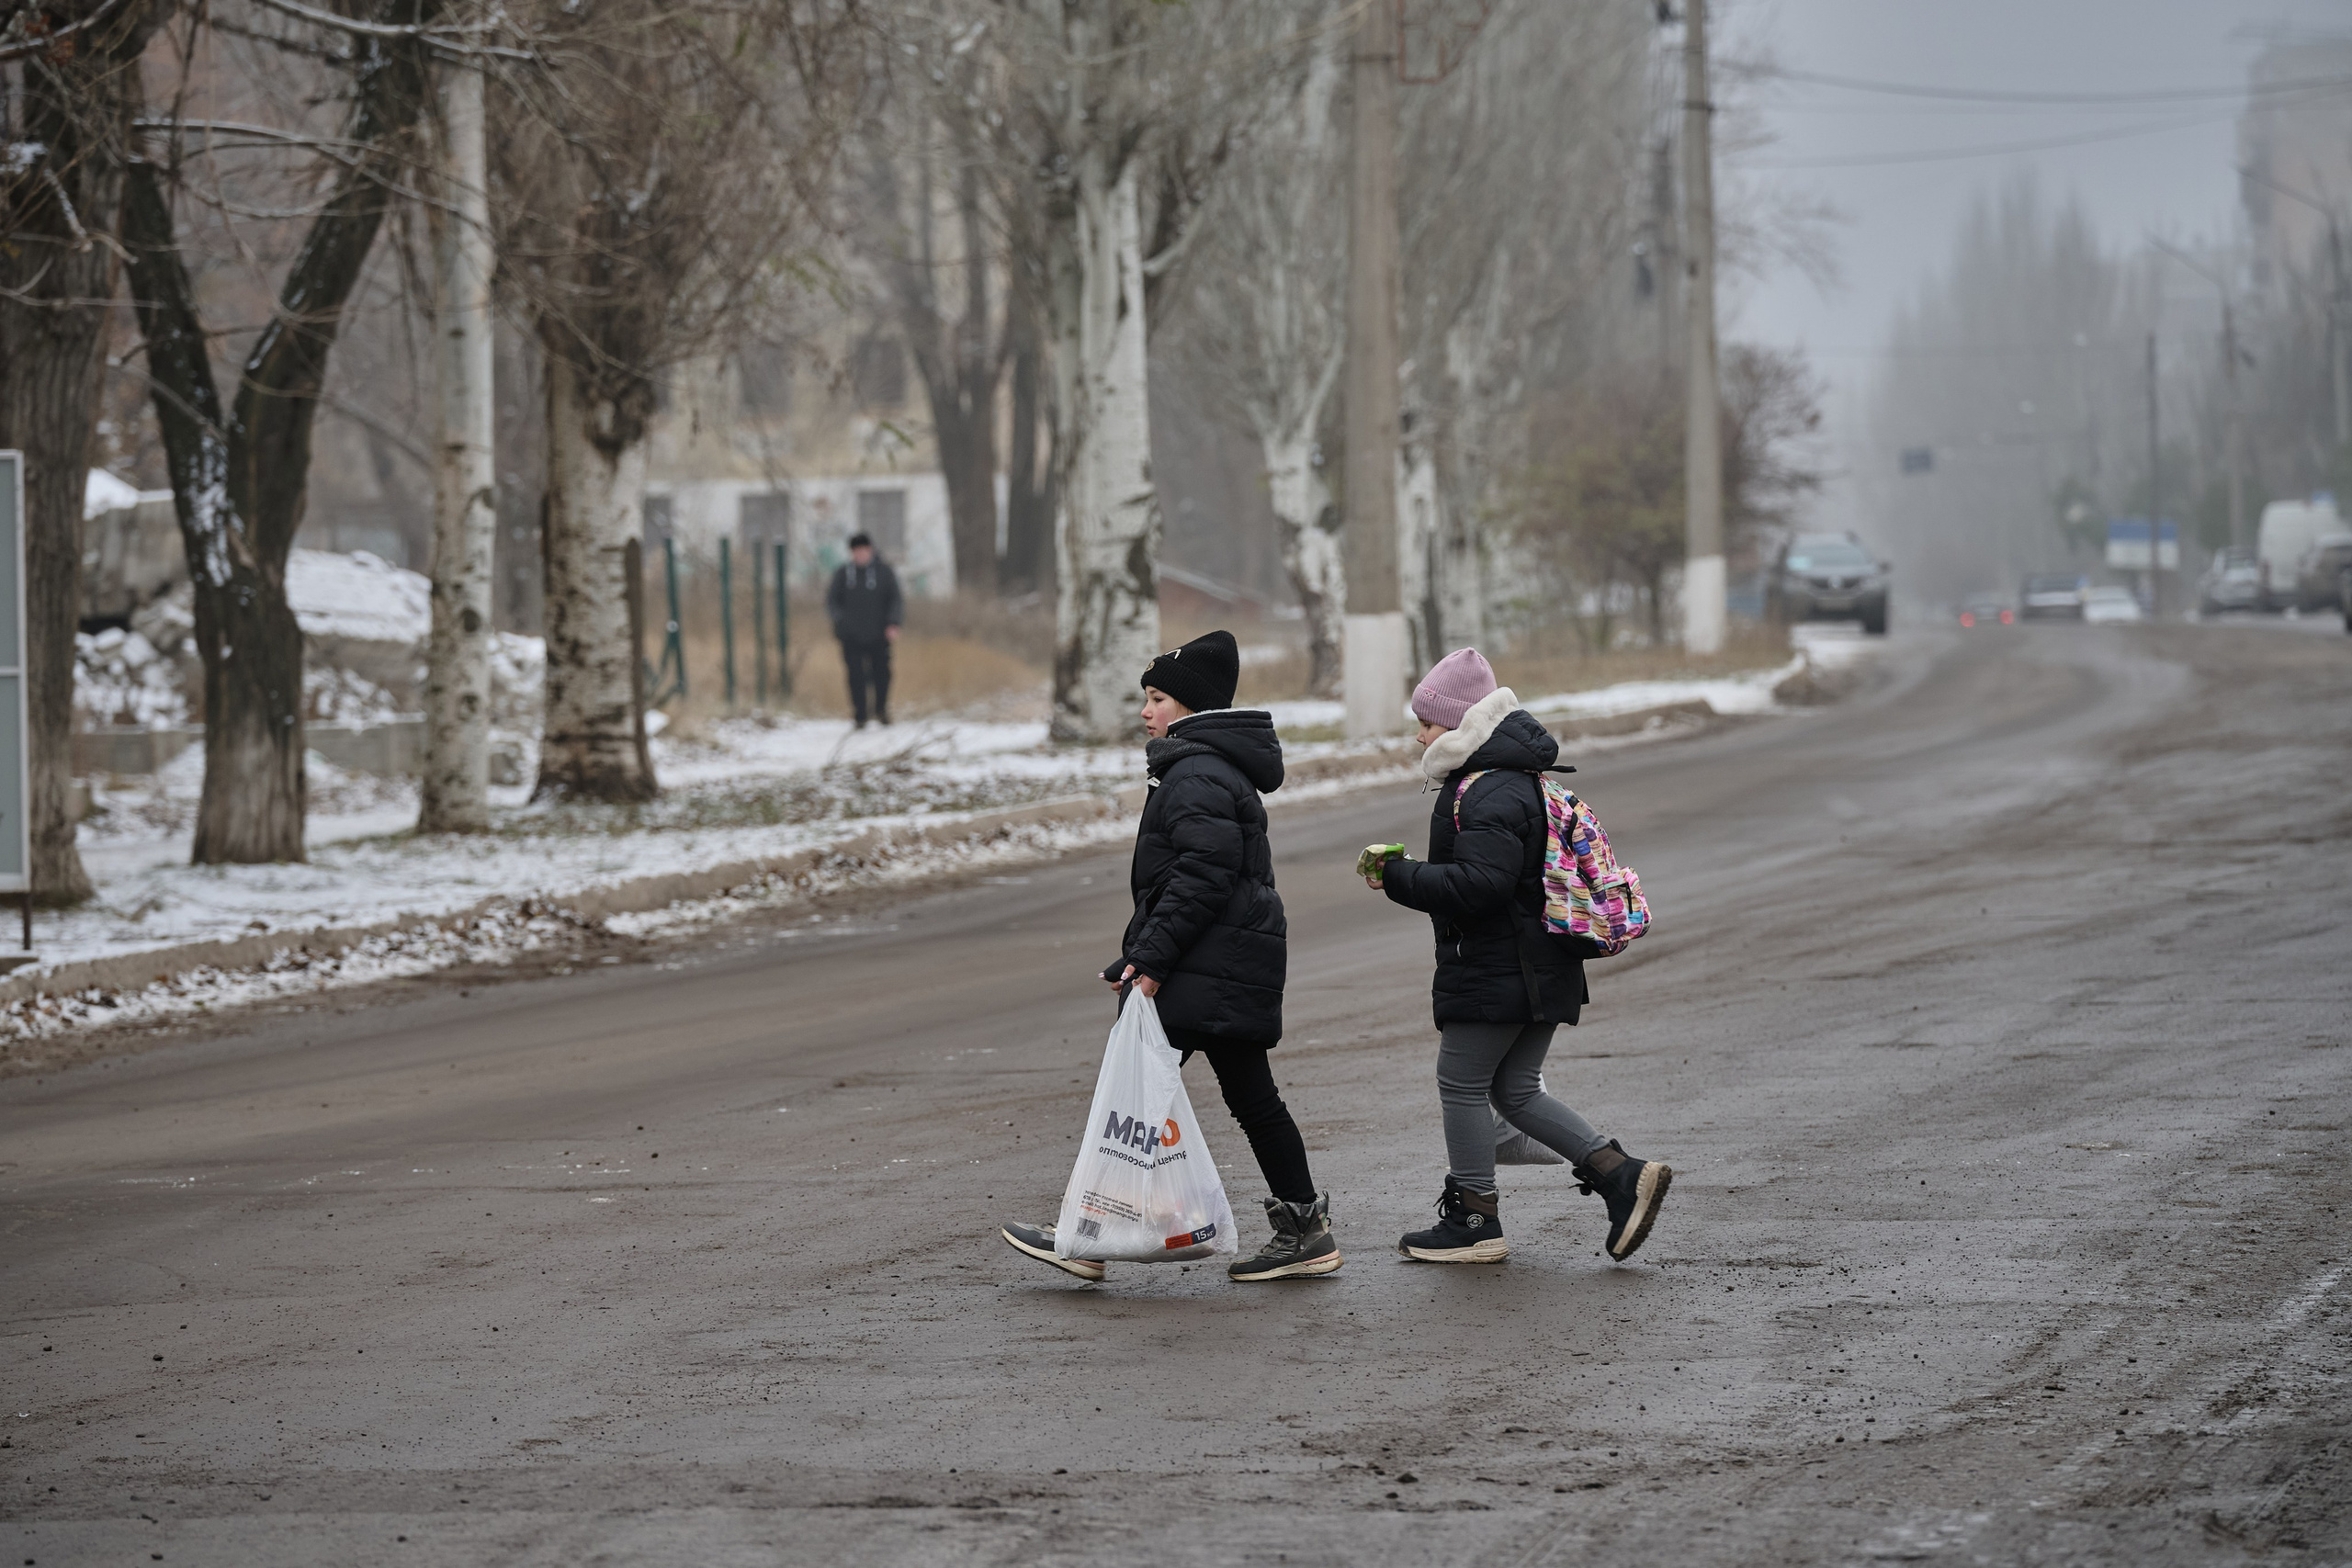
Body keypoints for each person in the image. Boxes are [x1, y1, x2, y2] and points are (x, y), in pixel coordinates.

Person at [1001, 629, 1342, 1284]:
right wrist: (1134, 954)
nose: (1145, 710)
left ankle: (1088, 1234)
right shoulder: (1207, 768)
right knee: (1246, 1097)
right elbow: (1189, 882)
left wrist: (1151, 962)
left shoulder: (1197, 772)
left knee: (1130, 1095)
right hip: (1220, 961)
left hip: (1202, 967)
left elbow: (1201, 877)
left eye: (1156, 697)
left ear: (1189, 706)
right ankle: (1303, 1228)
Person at [1364, 647, 1672, 1265]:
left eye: (1426, 722)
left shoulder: (1484, 790)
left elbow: (1481, 886)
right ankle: (1621, 1173)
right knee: (1516, 1090)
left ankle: (1475, 1219)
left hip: (1500, 967)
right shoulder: (1516, 776)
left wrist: (1398, 875)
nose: (1419, 734)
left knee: (1461, 1082)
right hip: (1539, 966)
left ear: (1458, 722)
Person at [825, 532, 902, 728]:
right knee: (855, 675)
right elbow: (832, 600)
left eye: (863, 551)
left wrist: (893, 623)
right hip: (851, 636)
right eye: (856, 551)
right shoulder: (843, 574)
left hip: (879, 634)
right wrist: (840, 621)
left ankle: (881, 709)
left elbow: (895, 599)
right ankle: (860, 714)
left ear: (870, 550)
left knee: (882, 674)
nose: (860, 555)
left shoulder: (884, 573)